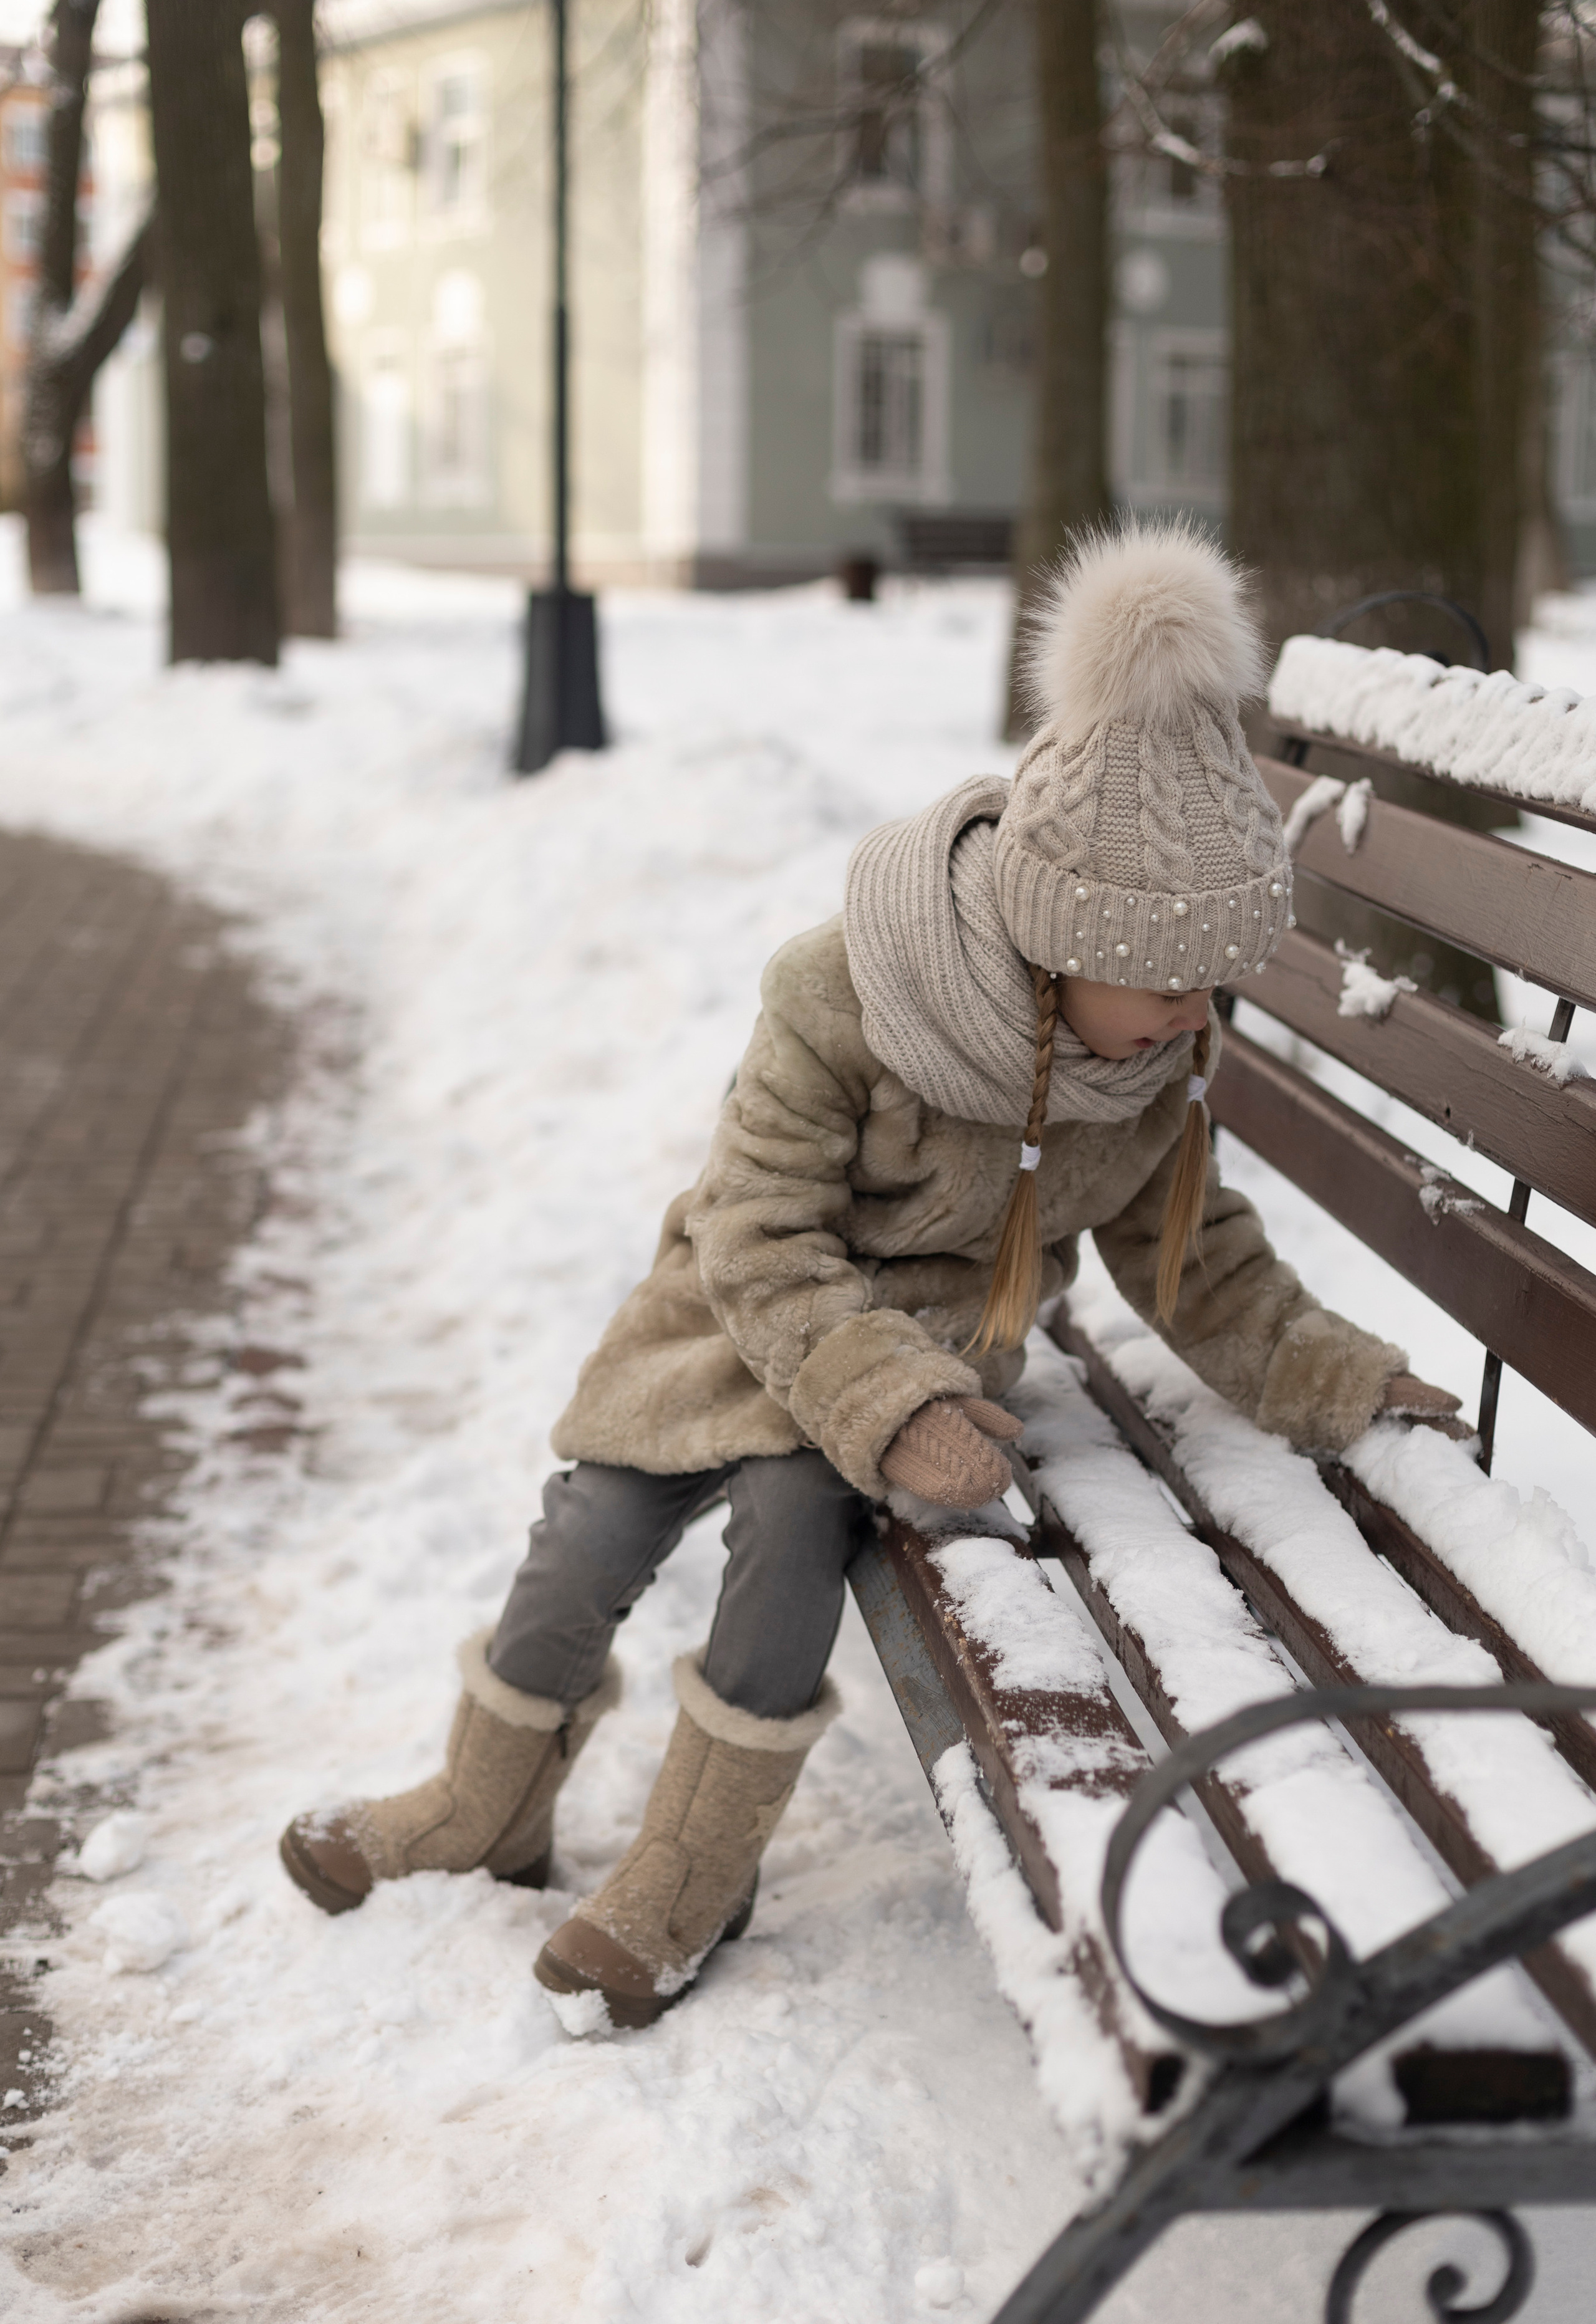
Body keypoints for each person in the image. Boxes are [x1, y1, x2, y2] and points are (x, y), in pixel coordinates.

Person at [279, 522, 1458, 2030]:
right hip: (736, 1322)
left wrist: (1341, 1376)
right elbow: (753, 1227)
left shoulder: (1142, 1073)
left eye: (1209, 989)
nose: (1187, 1018)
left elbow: (1204, 1272)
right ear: (1060, 937)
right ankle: (479, 1801)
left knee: (788, 1523)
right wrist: (868, 1393)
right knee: (590, 1528)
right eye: (1166, 984)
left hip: (915, 1382)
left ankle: (693, 1870)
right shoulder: (844, 993)